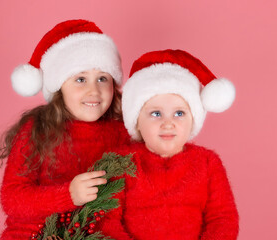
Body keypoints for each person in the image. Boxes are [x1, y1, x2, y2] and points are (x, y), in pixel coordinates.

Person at [0, 19, 130, 239]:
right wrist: (68, 195)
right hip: (33, 234)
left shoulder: (122, 134)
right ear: (59, 87)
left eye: (102, 78)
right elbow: (12, 199)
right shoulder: (37, 130)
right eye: (80, 79)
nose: (93, 90)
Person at [100, 49, 239, 239]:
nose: (168, 123)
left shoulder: (208, 163)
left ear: (194, 120)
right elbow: (108, 220)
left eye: (179, 113)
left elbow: (223, 218)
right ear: (137, 121)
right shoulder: (121, 164)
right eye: (156, 113)